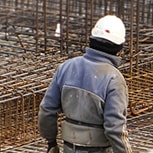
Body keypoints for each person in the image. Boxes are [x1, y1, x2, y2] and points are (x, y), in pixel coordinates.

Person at [38, 15, 133, 153]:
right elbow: (115, 129)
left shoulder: (66, 67)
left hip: (69, 148)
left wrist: (51, 142)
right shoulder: (114, 79)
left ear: (91, 39)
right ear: (119, 48)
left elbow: (47, 110)